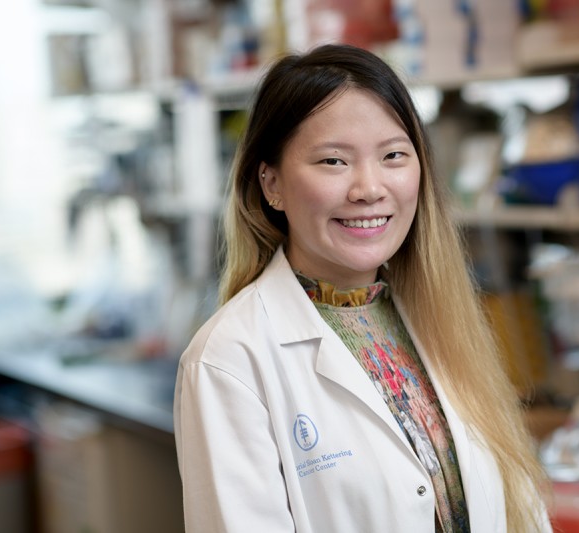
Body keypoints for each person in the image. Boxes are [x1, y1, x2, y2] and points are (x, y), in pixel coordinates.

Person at [173, 43, 551, 533]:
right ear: (272, 184)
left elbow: (517, 508)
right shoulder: (229, 359)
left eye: (393, 155)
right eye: (333, 161)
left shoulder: (440, 316)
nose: (369, 189)